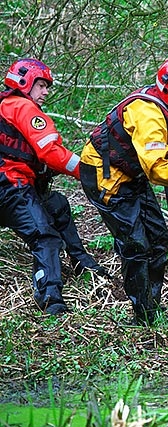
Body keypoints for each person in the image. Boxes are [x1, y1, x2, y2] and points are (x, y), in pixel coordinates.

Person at [79, 56, 168, 325]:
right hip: (104, 175)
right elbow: (155, 167)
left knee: (159, 241)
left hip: (132, 173)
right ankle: (141, 317)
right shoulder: (148, 113)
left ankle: (150, 308)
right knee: (136, 245)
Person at [0, 58, 107, 315]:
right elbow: (51, 152)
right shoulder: (23, 108)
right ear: (25, 82)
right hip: (11, 186)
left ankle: (81, 262)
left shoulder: (5, 106)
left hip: (9, 187)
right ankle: (50, 298)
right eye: (41, 85)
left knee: (57, 206)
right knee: (44, 235)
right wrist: (87, 172)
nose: (46, 92)